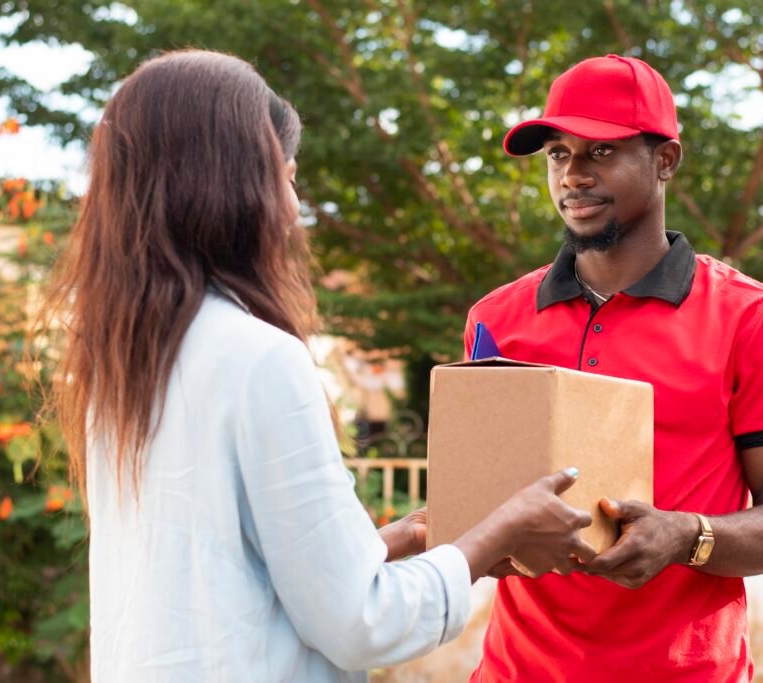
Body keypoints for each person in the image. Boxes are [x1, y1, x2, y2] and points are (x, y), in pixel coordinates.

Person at [36, 49, 598, 682]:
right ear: (237, 186)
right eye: (288, 175)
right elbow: (361, 620)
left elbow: (240, 573)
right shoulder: (261, 360)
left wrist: (407, 536)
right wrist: (505, 527)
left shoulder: (128, 361)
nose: (292, 204)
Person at [464, 54, 763, 681]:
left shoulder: (755, 318)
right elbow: (485, 498)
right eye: (557, 154)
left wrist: (687, 535)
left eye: (599, 153)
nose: (572, 175)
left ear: (665, 161)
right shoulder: (495, 318)